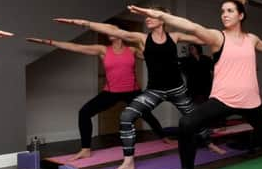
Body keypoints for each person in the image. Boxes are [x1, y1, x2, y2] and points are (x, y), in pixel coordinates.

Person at [127, 0, 262, 169]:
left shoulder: (252, 38)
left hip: (251, 100)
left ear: (241, 15)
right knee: (186, 123)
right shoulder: (218, 37)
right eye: (222, 11)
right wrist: (161, 16)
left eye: (230, 10)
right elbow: (193, 26)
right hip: (223, 99)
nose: (224, 14)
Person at [54, 11, 225, 169]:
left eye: (151, 16)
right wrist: (83, 23)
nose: (147, 19)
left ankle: (209, 144)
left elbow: (203, 38)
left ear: (162, 19)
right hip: (154, 91)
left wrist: (223, 35)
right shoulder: (142, 38)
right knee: (126, 117)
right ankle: (128, 162)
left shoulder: (175, 36)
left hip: (177, 89)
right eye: (146, 17)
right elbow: (114, 31)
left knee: (193, 118)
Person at [27, 33, 173, 160]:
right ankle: (85, 149)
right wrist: (49, 42)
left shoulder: (132, 50)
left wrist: (147, 42)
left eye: (112, 29)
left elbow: (153, 57)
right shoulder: (103, 50)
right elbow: (75, 47)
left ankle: (164, 138)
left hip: (132, 91)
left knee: (147, 114)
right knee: (84, 113)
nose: (108, 32)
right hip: (110, 92)